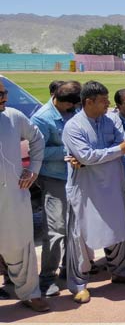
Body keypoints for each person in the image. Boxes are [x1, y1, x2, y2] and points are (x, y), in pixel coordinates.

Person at [62, 81, 125, 304]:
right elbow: (88, 156)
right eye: (104, 101)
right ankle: (78, 284)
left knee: (117, 227)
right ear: (89, 102)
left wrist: (96, 157)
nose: (108, 104)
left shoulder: (112, 119)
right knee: (81, 236)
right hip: (85, 189)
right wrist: (112, 152)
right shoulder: (74, 127)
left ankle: (120, 271)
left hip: (113, 185)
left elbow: (124, 144)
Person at [0, 79, 49, 312]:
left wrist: (34, 169)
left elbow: (37, 139)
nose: (5, 98)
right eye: (0, 94)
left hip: (13, 195)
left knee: (20, 245)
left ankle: (30, 293)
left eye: (5, 93)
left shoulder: (14, 116)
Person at [30, 80, 81, 297]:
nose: (74, 110)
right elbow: (36, 152)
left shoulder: (74, 110)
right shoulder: (42, 118)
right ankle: (47, 278)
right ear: (61, 101)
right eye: (71, 106)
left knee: (74, 228)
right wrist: (67, 151)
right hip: (54, 179)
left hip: (75, 178)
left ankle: (69, 269)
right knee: (56, 230)